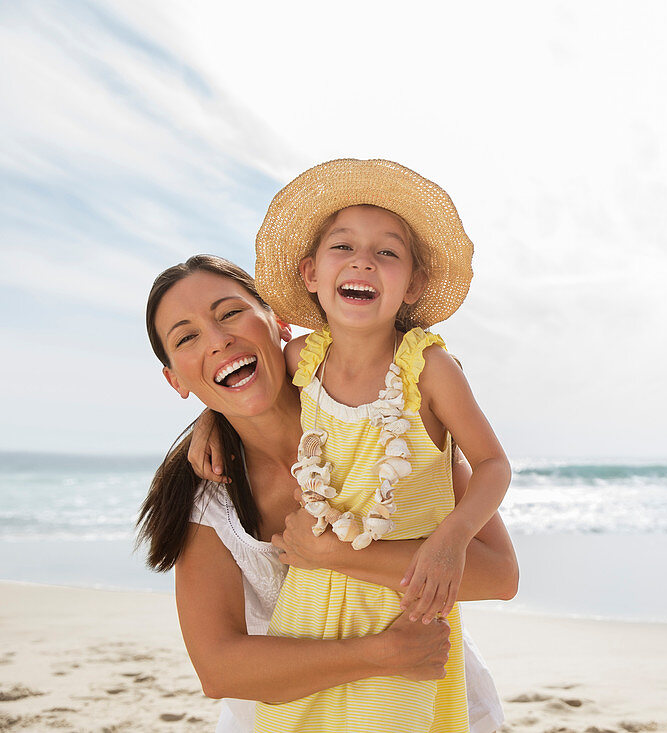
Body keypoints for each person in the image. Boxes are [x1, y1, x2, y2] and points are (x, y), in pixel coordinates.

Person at [139, 255, 517, 733]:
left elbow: (499, 576)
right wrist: (377, 655)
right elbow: (219, 668)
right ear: (176, 380)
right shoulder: (209, 499)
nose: (218, 340)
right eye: (187, 337)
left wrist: (333, 555)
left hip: (422, 703)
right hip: (295, 716)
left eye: (230, 313)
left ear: (279, 324)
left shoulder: (389, 415)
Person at [245, 158, 510, 732]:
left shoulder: (430, 371)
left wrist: (451, 539)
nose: (364, 260)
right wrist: (204, 432)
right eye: (343, 247)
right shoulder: (301, 361)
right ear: (311, 273)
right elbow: (245, 398)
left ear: (411, 285)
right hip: (310, 607)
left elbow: (492, 465)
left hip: (401, 607)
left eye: (387, 252)